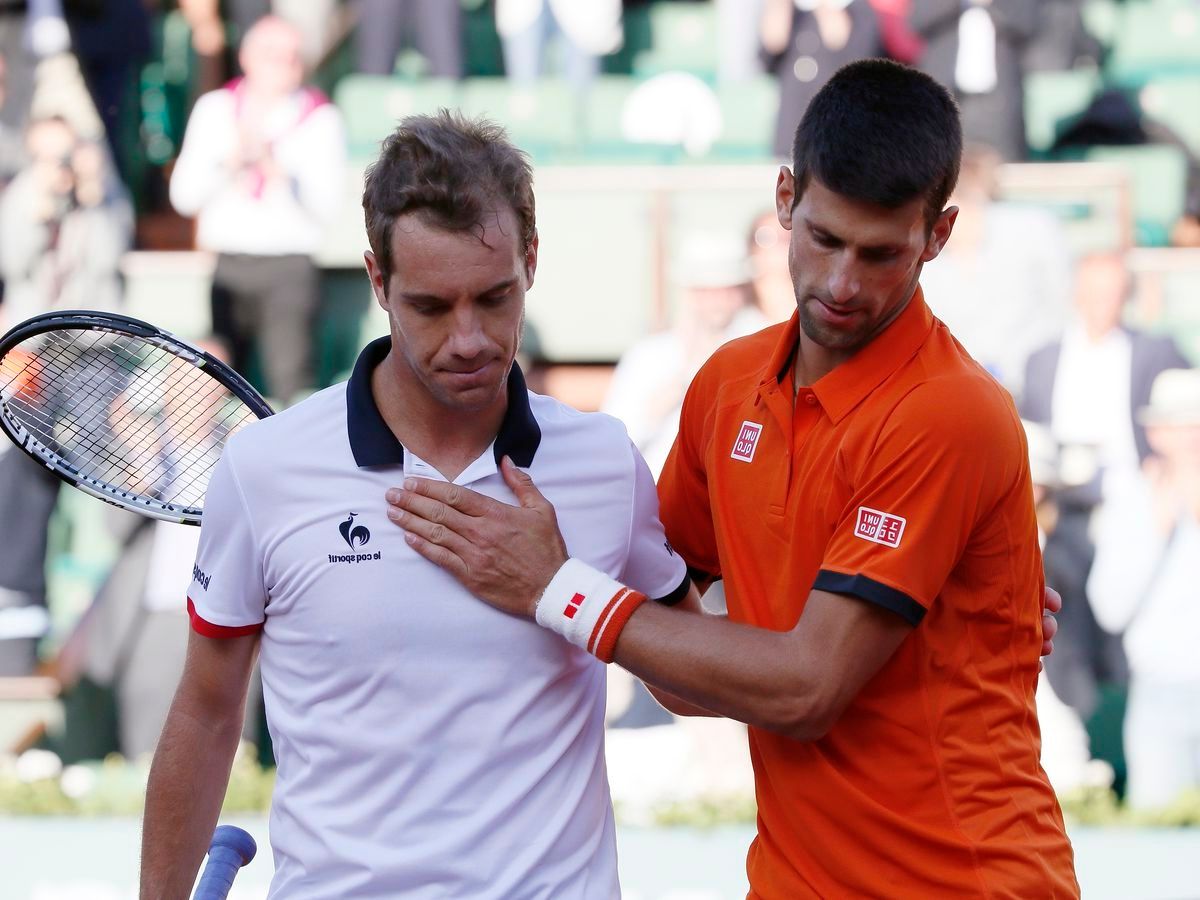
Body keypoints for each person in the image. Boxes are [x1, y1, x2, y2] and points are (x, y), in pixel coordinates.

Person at [387, 59, 1078, 897]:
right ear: (785, 199)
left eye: (881, 253)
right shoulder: (728, 384)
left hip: (966, 882)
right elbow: (676, 660)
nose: (842, 283)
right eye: (823, 238)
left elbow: (807, 689)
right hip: (792, 879)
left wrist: (558, 589)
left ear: (938, 235)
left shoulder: (948, 412)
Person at [140, 110, 688, 897]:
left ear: (531, 261)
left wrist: (565, 590)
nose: (469, 338)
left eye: (494, 299)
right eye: (431, 306)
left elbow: (692, 685)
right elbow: (206, 712)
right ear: (376, 280)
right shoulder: (265, 467)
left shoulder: (605, 461)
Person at [1021, 252, 1189, 725]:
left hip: (1134, 502)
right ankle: (1080, 716)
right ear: (1077, 294)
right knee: (1064, 615)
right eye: (1095, 293)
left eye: (1113, 294)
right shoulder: (1044, 358)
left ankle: (1124, 714)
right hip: (1063, 508)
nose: (1103, 304)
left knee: (1128, 609)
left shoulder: (1156, 351)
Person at [168, 15, 346, 406]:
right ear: (247, 57)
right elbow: (183, 197)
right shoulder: (215, 109)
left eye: (292, 56)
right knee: (220, 385)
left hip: (289, 268)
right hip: (229, 265)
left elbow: (329, 207)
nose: (283, 65)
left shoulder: (320, 118)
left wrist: (281, 174)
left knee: (291, 387)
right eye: (272, 55)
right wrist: (227, 164)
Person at [1088, 368, 1200, 809]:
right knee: (1159, 839)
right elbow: (1110, 608)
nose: (1191, 436)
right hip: (1160, 695)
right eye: (1181, 424)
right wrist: (1159, 522)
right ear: (1156, 432)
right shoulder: (1134, 499)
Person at [602, 232, 754, 478]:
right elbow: (610, 443)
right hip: (659, 499)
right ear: (690, 293)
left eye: (728, 289)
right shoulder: (649, 356)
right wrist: (662, 401)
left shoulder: (759, 350)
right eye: (707, 290)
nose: (718, 300)